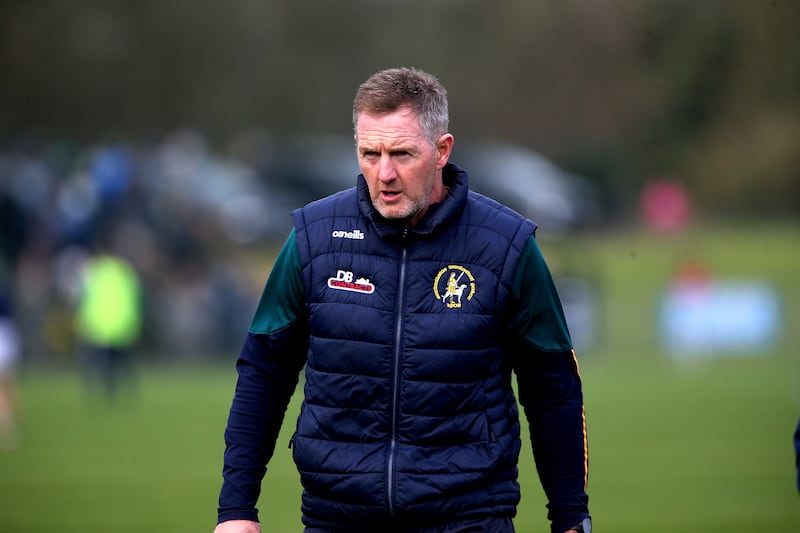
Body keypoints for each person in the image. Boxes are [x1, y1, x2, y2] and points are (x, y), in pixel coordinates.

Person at [215, 67, 591, 533]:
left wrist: (571, 517)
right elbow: (264, 374)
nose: (384, 174)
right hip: (337, 519)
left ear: (442, 150)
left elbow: (552, 388)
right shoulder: (313, 239)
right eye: (369, 154)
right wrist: (235, 509)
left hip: (468, 518)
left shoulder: (507, 247)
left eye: (401, 153)